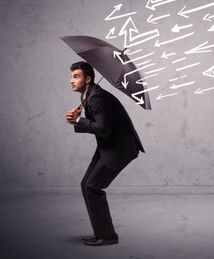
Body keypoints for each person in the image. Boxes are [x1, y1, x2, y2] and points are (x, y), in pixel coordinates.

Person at [65, 61, 145, 246]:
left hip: (119, 149)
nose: (71, 81)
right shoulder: (90, 95)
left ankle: (107, 236)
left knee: (92, 187)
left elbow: (104, 130)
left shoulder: (97, 98)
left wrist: (80, 120)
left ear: (88, 79)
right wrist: (79, 119)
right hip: (108, 146)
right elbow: (101, 126)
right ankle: (102, 233)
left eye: (76, 76)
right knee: (86, 184)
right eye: (71, 77)